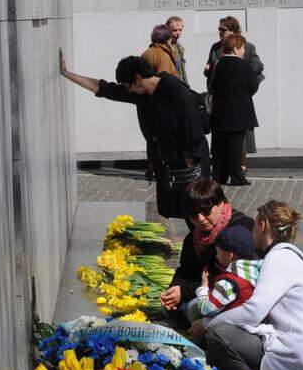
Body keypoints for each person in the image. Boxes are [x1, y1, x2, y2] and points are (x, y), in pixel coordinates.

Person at [59, 50, 210, 219]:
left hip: (189, 166)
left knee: (198, 213)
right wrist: (67, 74)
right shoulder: (141, 95)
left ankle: (210, 244)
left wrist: (190, 158)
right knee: (180, 211)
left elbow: (192, 124)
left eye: (128, 86)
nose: (128, 91)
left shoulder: (174, 89)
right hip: (168, 165)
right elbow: (105, 89)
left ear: (138, 79)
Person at [205, 201, 303, 370]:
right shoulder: (290, 255)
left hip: (297, 354)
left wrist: (208, 324)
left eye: (255, 224)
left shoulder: (279, 258)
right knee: (225, 334)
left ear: (262, 225)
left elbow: (253, 311)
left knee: (218, 333)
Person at [159, 181, 253, 327]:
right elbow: (185, 269)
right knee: (169, 307)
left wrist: (184, 292)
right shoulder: (194, 237)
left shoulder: (239, 230)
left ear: (221, 203)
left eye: (206, 212)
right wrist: (173, 290)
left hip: (233, 294)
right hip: (204, 289)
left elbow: (233, 277)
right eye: (193, 214)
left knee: (193, 310)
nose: (200, 219)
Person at [203, 16, 264, 167]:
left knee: (241, 136)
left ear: (234, 30)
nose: (220, 32)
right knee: (221, 137)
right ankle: (222, 167)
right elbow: (211, 70)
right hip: (221, 99)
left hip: (239, 97)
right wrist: (208, 70)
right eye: (219, 29)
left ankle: (241, 165)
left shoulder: (247, 46)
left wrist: (240, 72)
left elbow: (258, 65)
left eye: (223, 29)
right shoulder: (215, 47)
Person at [186, 224, 261, 328]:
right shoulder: (255, 269)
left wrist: (204, 286)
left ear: (230, 255)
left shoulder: (229, 283)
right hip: (247, 320)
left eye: (217, 252)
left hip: (231, 327)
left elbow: (206, 309)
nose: (216, 256)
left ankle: (203, 341)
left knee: (192, 309)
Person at [209, 33, 259, 186]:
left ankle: (220, 176)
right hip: (239, 112)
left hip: (220, 113)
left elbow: (212, 85)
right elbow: (253, 86)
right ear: (237, 49)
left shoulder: (219, 65)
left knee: (220, 147)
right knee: (236, 147)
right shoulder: (245, 66)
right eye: (243, 48)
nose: (244, 51)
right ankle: (237, 177)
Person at [166, 15, 189, 85]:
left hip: (181, 85)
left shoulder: (179, 47)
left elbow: (181, 70)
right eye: (175, 30)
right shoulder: (164, 47)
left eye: (180, 30)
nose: (178, 33)